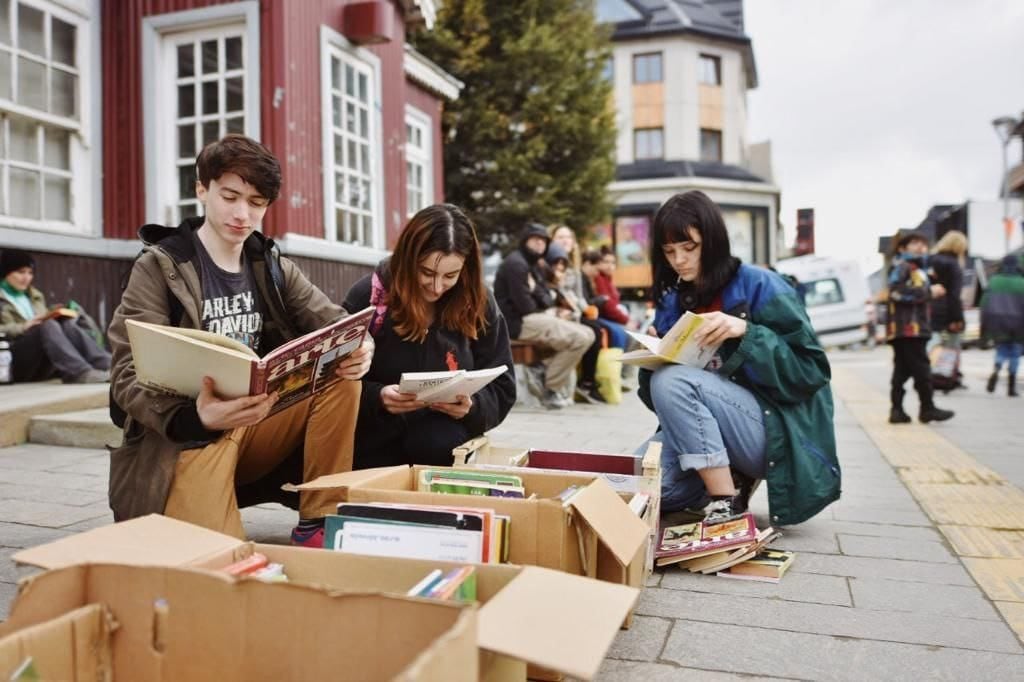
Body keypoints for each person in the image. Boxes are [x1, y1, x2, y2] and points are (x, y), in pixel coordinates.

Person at [107, 134, 373, 547]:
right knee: (220, 563)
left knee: (343, 375)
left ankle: (320, 520)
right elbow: (126, 374)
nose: (242, 214)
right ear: (202, 189)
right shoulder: (160, 267)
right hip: (189, 437)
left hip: (256, 421)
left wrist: (362, 347)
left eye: (256, 203)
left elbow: (337, 323)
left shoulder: (269, 262)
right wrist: (196, 418)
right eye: (230, 196)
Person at [638, 190, 840, 526]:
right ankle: (726, 475)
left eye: (689, 248)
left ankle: (724, 498)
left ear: (713, 241)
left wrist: (747, 332)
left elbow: (811, 372)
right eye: (669, 251)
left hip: (771, 432)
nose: (679, 260)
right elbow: (662, 400)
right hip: (707, 432)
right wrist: (652, 358)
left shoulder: (762, 285)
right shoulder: (673, 301)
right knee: (632, 488)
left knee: (672, 380)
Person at [342, 204, 516, 468]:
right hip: (370, 443)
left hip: (443, 445)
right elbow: (331, 380)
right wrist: (376, 398)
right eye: (426, 272)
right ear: (408, 258)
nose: (436, 287)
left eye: (450, 276)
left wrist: (473, 407)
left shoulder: (479, 302)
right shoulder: (368, 297)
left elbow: (503, 386)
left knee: (434, 443)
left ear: (466, 268)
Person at [493, 223, 594, 409]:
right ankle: (550, 387)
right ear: (525, 241)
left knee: (589, 334)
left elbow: (547, 298)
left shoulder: (534, 264)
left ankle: (543, 373)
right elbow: (527, 306)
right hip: (519, 323)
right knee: (580, 338)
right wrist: (539, 296)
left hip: (534, 318)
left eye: (543, 241)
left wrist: (536, 292)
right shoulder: (517, 264)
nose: (540, 244)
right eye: (535, 240)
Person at [0, 249, 111, 384]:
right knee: (47, 325)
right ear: (6, 273)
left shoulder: (34, 296)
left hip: (41, 361)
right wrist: (23, 327)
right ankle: (79, 373)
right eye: (21, 272)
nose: (26, 278)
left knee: (67, 322)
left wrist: (54, 312)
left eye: (30, 273)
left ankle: (107, 363)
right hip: (12, 362)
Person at [885, 231, 954, 424]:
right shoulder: (903, 266)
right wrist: (929, 291)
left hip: (912, 328)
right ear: (902, 248)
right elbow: (895, 292)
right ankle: (927, 408)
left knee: (903, 369)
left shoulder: (918, 268)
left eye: (922, 243)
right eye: (914, 243)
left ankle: (897, 410)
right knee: (922, 368)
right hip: (909, 329)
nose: (920, 247)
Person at [544, 242, 606, 404]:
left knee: (599, 330)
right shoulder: (544, 270)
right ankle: (583, 383)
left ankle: (587, 382)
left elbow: (578, 297)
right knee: (591, 332)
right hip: (554, 317)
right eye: (561, 238)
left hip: (574, 312)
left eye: (568, 238)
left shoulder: (575, 272)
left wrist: (581, 309)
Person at [928, 230, 968, 388]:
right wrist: (957, 318)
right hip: (948, 309)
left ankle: (930, 373)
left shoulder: (930, 260)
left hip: (929, 307)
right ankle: (944, 377)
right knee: (952, 345)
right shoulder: (953, 264)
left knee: (933, 341)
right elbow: (954, 295)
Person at [980, 254, 1024, 397]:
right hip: (1019, 324)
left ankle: (997, 368)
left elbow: (984, 304)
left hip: (997, 322)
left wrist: (984, 327)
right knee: (1015, 353)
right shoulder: (1021, 282)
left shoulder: (994, 281)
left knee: (1001, 349)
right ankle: (1011, 386)